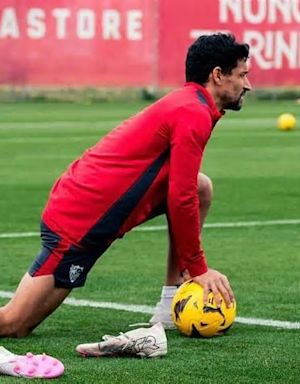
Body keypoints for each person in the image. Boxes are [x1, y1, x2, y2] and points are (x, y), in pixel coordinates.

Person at [0, 33, 252, 343]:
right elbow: (180, 196)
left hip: (87, 211)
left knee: (201, 188)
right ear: (217, 75)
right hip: (78, 222)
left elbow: (186, 191)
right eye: (242, 74)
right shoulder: (192, 111)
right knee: (13, 324)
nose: (248, 85)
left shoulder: (192, 104)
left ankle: (168, 304)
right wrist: (199, 269)